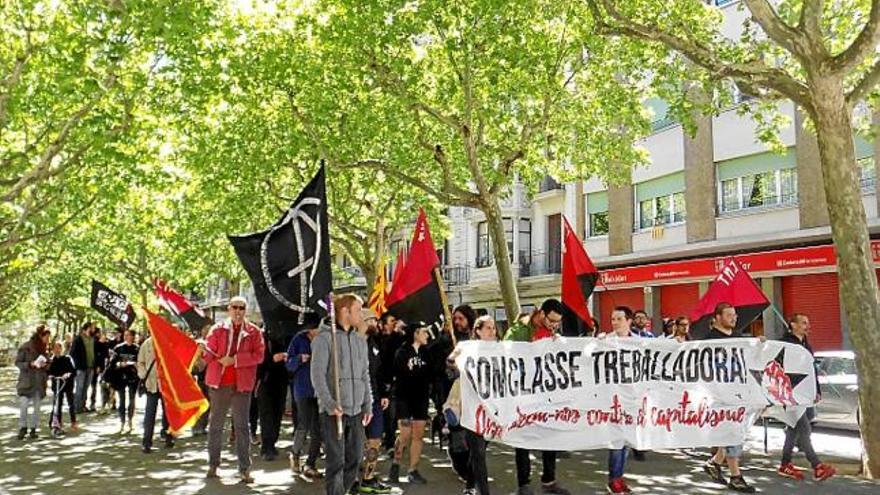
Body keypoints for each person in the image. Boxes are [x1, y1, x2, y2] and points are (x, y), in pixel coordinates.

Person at [503, 299, 571, 495]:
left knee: (550, 437)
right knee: (522, 439)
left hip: (546, 395)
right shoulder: (519, 331)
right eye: (551, 320)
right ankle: (523, 483)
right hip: (523, 395)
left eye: (557, 322)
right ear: (541, 313)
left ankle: (549, 480)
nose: (554, 325)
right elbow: (506, 354)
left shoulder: (552, 332)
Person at [311, 294, 372, 495]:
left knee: (355, 459)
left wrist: (367, 404)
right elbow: (317, 375)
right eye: (358, 310)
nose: (361, 315)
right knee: (336, 460)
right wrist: (329, 403)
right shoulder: (324, 339)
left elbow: (365, 373)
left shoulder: (359, 340)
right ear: (345, 311)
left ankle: (341, 492)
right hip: (334, 410)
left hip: (356, 409)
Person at [203, 296, 265, 483]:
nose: (238, 311)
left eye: (242, 308)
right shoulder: (217, 329)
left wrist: (236, 360)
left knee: (242, 427)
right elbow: (208, 355)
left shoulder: (254, 332)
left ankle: (245, 468)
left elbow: (259, 356)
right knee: (215, 426)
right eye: (235, 307)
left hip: (242, 384)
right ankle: (213, 464)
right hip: (219, 383)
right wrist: (200, 351)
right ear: (229, 309)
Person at [702, 302, 757, 493]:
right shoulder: (708, 340)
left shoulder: (738, 337)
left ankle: (715, 462)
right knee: (732, 431)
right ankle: (735, 475)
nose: (734, 318)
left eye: (735, 315)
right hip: (719, 395)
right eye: (729, 315)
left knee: (735, 431)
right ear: (717, 317)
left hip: (738, 392)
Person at [777, 313, 836, 482]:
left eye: (807, 322)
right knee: (804, 428)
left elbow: (811, 371)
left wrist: (816, 390)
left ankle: (785, 463)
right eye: (803, 322)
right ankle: (816, 465)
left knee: (794, 429)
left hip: (804, 394)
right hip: (790, 395)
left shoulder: (806, 345)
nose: (807, 325)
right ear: (793, 325)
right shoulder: (785, 343)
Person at [448, 315, 499, 495]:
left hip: (491, 409)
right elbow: (450, 360)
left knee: (479, 452)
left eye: (493, 328)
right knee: (478, 453)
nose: (492, 331)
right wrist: (459, 360)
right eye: (488, 328)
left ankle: (469, 486)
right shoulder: (466, 346)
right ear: (477, 331)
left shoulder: (498, 349)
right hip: (472, 408)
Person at [597, 307, 640, 494]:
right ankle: (613, 479)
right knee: (616, 440)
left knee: (626, 441)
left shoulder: (640, 341)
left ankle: (619, 476)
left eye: (619, 319)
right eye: (612, 319)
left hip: (633, 398)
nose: (614, 322)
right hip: (613, 399)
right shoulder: (606, 341)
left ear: (629, 321)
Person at [387, 323, 432, 485]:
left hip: (421, 399)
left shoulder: (427, 353)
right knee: (405, 434)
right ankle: (395, 464)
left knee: (418, 435)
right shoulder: (402, 352)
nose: (427, 335)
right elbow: (398, 374)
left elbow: (431, 373)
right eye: (424, 332)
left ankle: (413, 470)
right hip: (404, 398)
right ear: (415, 334)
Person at [355, 310, 393, 494]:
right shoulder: (352, 342)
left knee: (375, 441)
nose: (376, 323)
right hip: (356, 400)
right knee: (354, 442)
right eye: (373, 320)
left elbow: (378, 371)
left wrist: (384, 393)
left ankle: (368, 478)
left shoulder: (373, 342)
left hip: (375, 399)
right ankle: (352, 479)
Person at [286, 314, 324, 482]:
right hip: (303, 389)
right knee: (303, 424)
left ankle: (311, 463)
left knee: (318, 428)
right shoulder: (298, 340)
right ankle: (295, 454)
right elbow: (289, 364)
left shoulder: (325, 340)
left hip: (321, 390)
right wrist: (299, 359)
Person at [258, 322, 290, 461]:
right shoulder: (262, 337)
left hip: (281, 380)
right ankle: (267, 445)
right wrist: (272, 359)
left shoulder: (286, 337)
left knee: (277, 413)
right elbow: (258, 359)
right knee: (267, 414)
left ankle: (272, 443)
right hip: (266, 381)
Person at [137, 334, 173, 453]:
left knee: (167, 413)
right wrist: (143, 374)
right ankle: (146, 442)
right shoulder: (146, 344)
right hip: (151, 384)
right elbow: (140, 362)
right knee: (149, 414)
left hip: (165, 384)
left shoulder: (168, 343)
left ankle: (168, 436)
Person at [15, 325, 51, 440]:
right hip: (26, 382)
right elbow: (18, 363)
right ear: (41, 335)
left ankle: (33, 429)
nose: (48, 340)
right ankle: (22, 427)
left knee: (37, 407)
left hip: (39, 382)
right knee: (24, 405)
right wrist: (29, 364)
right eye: (46, 337)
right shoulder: (26, 346)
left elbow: (48, 364)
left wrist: (46, 365)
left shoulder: (45, 349)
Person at [377, 313, 405, 454]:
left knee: (395, 415)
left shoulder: (399, 338)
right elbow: (386, 355)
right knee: (389, 414)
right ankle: (389, 442)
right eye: (391, 321)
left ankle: (392, 439)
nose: (395, 323)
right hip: (383, 381)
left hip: (398, 381)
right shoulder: (379, 339)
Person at [108, 330, 140, 434]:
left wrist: (136, 364)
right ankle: (122, 422)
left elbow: (141, 362)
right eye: (125, 335)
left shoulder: (137, 348)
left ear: (133, 337)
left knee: (132, 399)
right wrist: (120, 364)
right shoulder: (118, 348)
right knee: (122, 400)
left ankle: (130, 421)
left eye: (128, 335)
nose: (126, 337)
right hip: (121, 377)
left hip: (133, 377)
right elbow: (112, 363)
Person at [47, 341, 77, 436]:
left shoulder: (67, 359)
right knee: (57, 404)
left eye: (58, 348)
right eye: (54, 348)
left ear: (61, 349)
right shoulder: (52, 361)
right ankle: (57, 423)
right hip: (57, 385)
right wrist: (51, 376)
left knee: (70, 403)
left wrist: (68, 374)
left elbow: (73, 371)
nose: (57, 350)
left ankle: (73, 421)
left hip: (67, 384)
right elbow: (49, 372)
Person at [70, 322, 97, 413]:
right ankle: (77, 407)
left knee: (86, 387)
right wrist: (78, 364)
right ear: (87, 328)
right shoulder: (78, 339)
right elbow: (72, 353)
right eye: (92, 328)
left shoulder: (93, 339)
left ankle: (83, 405)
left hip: (91, 367)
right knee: (79, 387)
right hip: (81, 368)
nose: (94, 329)